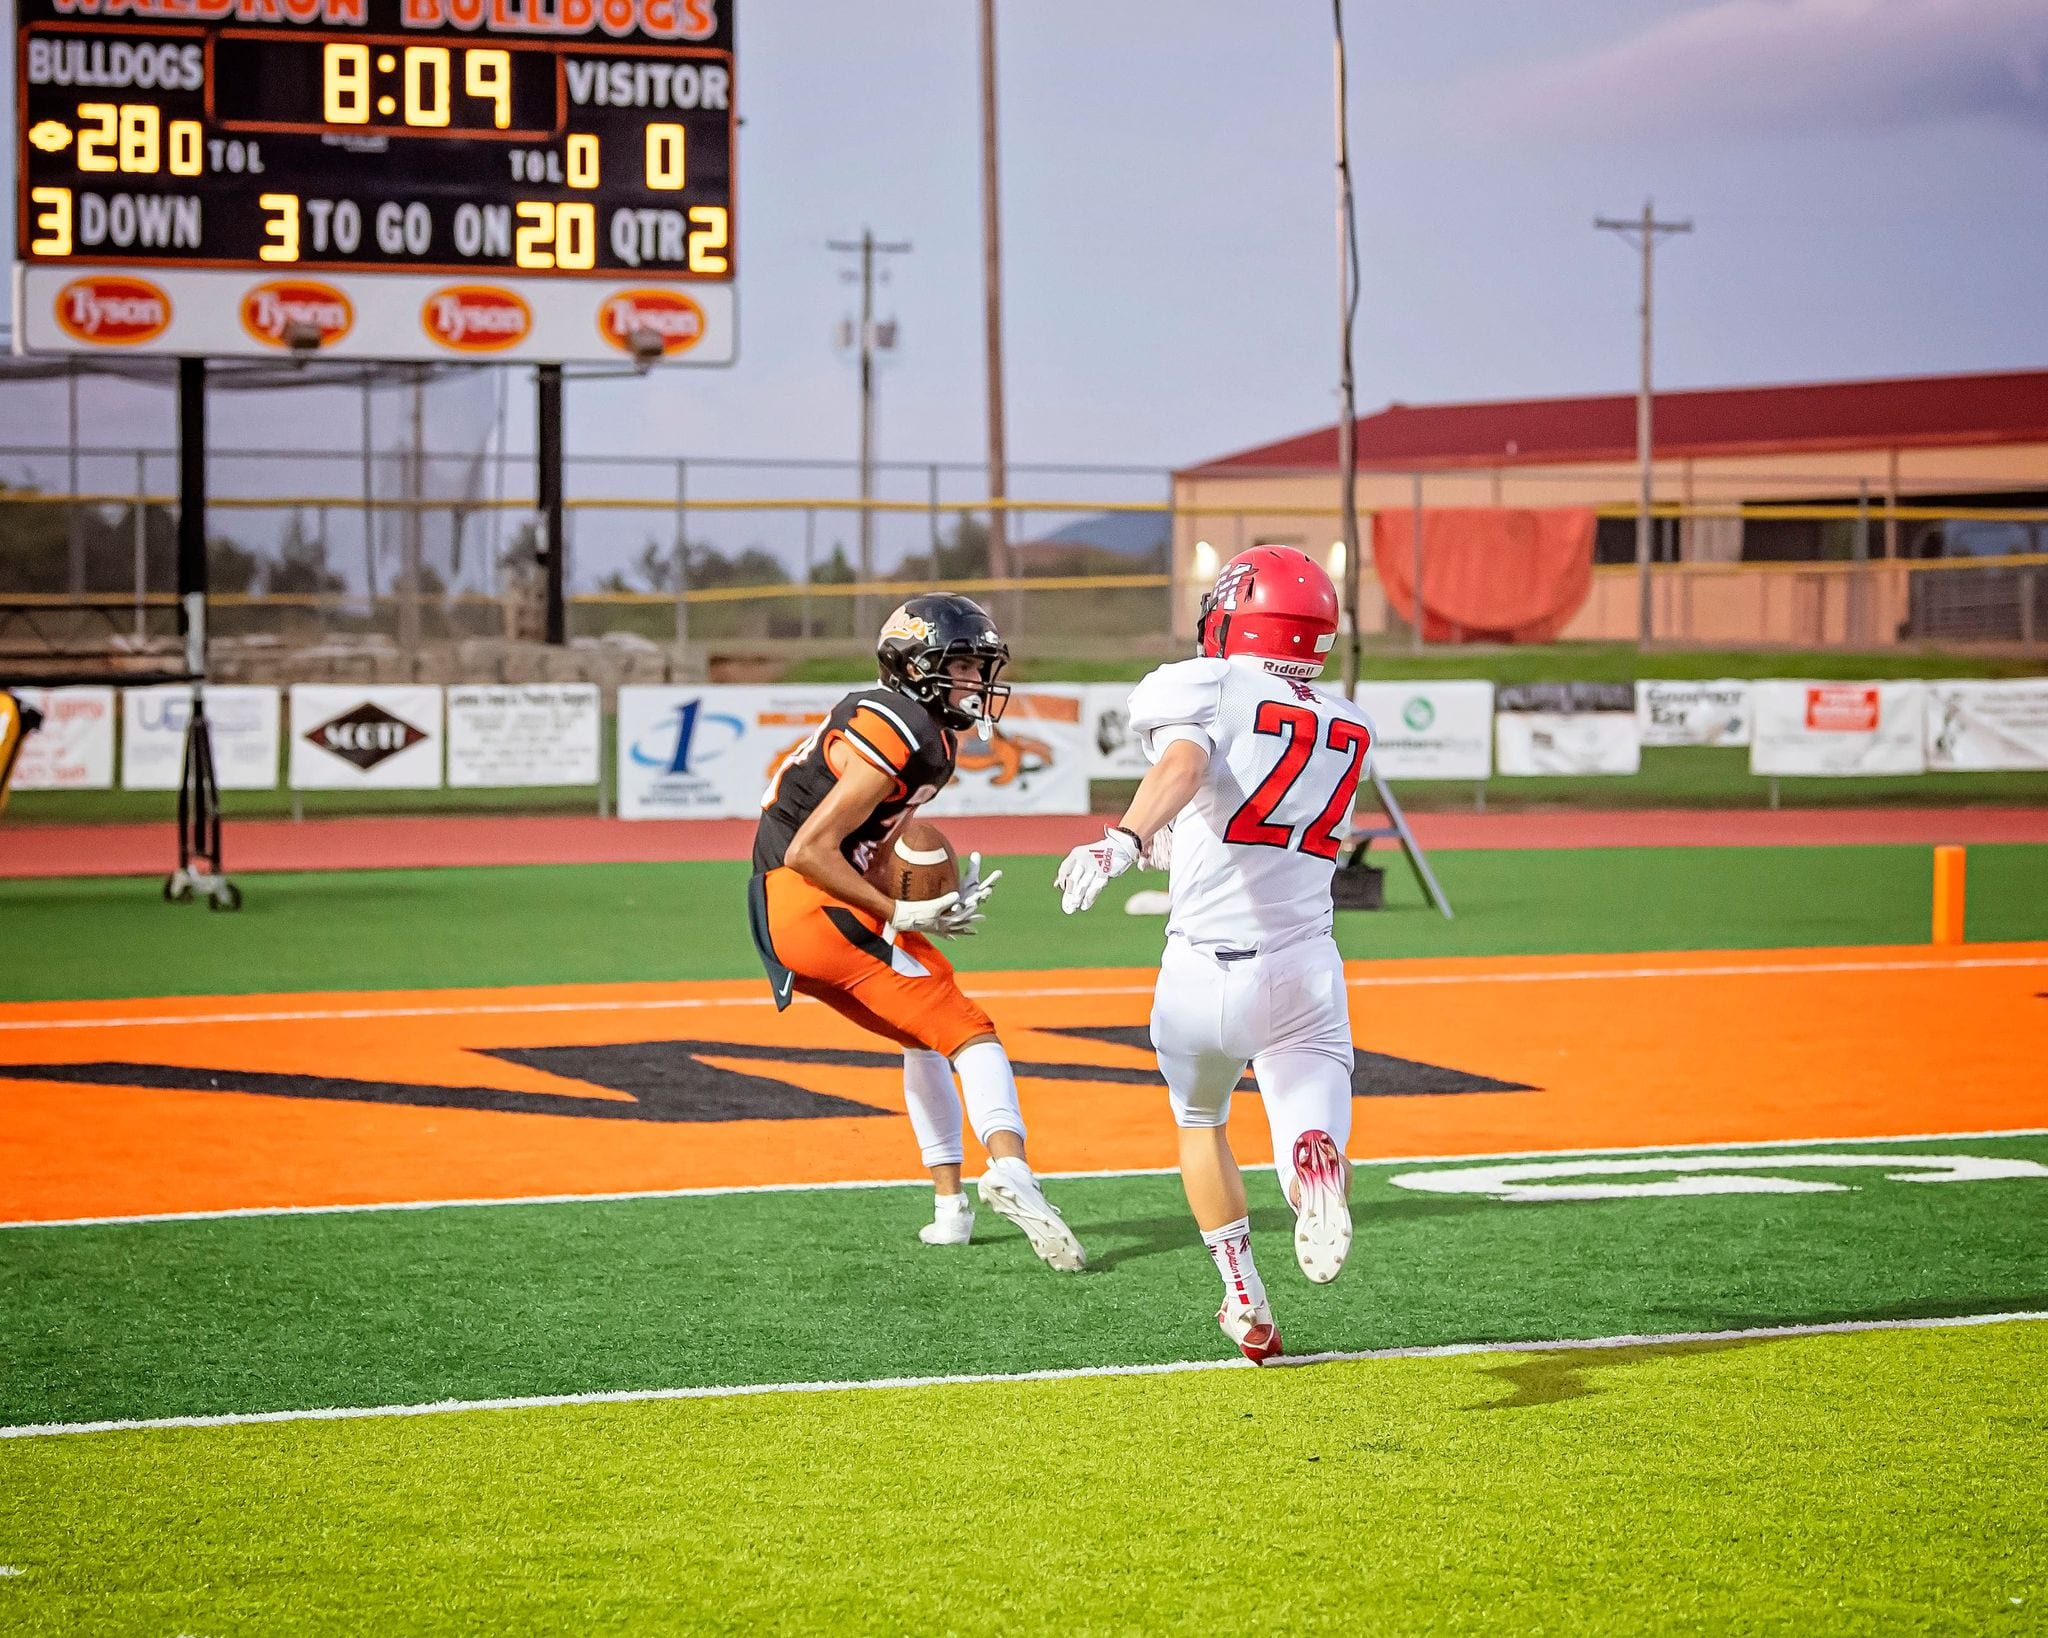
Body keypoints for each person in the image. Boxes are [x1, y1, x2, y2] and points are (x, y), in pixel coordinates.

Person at [1054, 546, 1369, 1360]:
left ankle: (1245, 1299)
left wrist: (1127, 839)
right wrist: (1180, 831)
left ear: (1240, 618)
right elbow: (1245, 804)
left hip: (1201, 969)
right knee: (1308, 1106)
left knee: (1201, 1122)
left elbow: (1186, 762)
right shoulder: (1349, 724)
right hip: (1302, 963)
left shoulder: (1213, 684)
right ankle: (1309, 1164)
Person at [749, 593, 1085, 1271]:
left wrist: (924, 900)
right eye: (959, 665)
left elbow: (871, 847)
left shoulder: (927, 735)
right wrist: (896, 911)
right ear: (911, 666)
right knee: (969, 1029)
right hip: (811, 901)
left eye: (979, 666)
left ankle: (950, 1210)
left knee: (923, 1036)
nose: (975, 681)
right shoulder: (897, 726)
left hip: (803, 910)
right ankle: (1013, 1171)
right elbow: (810, 850)